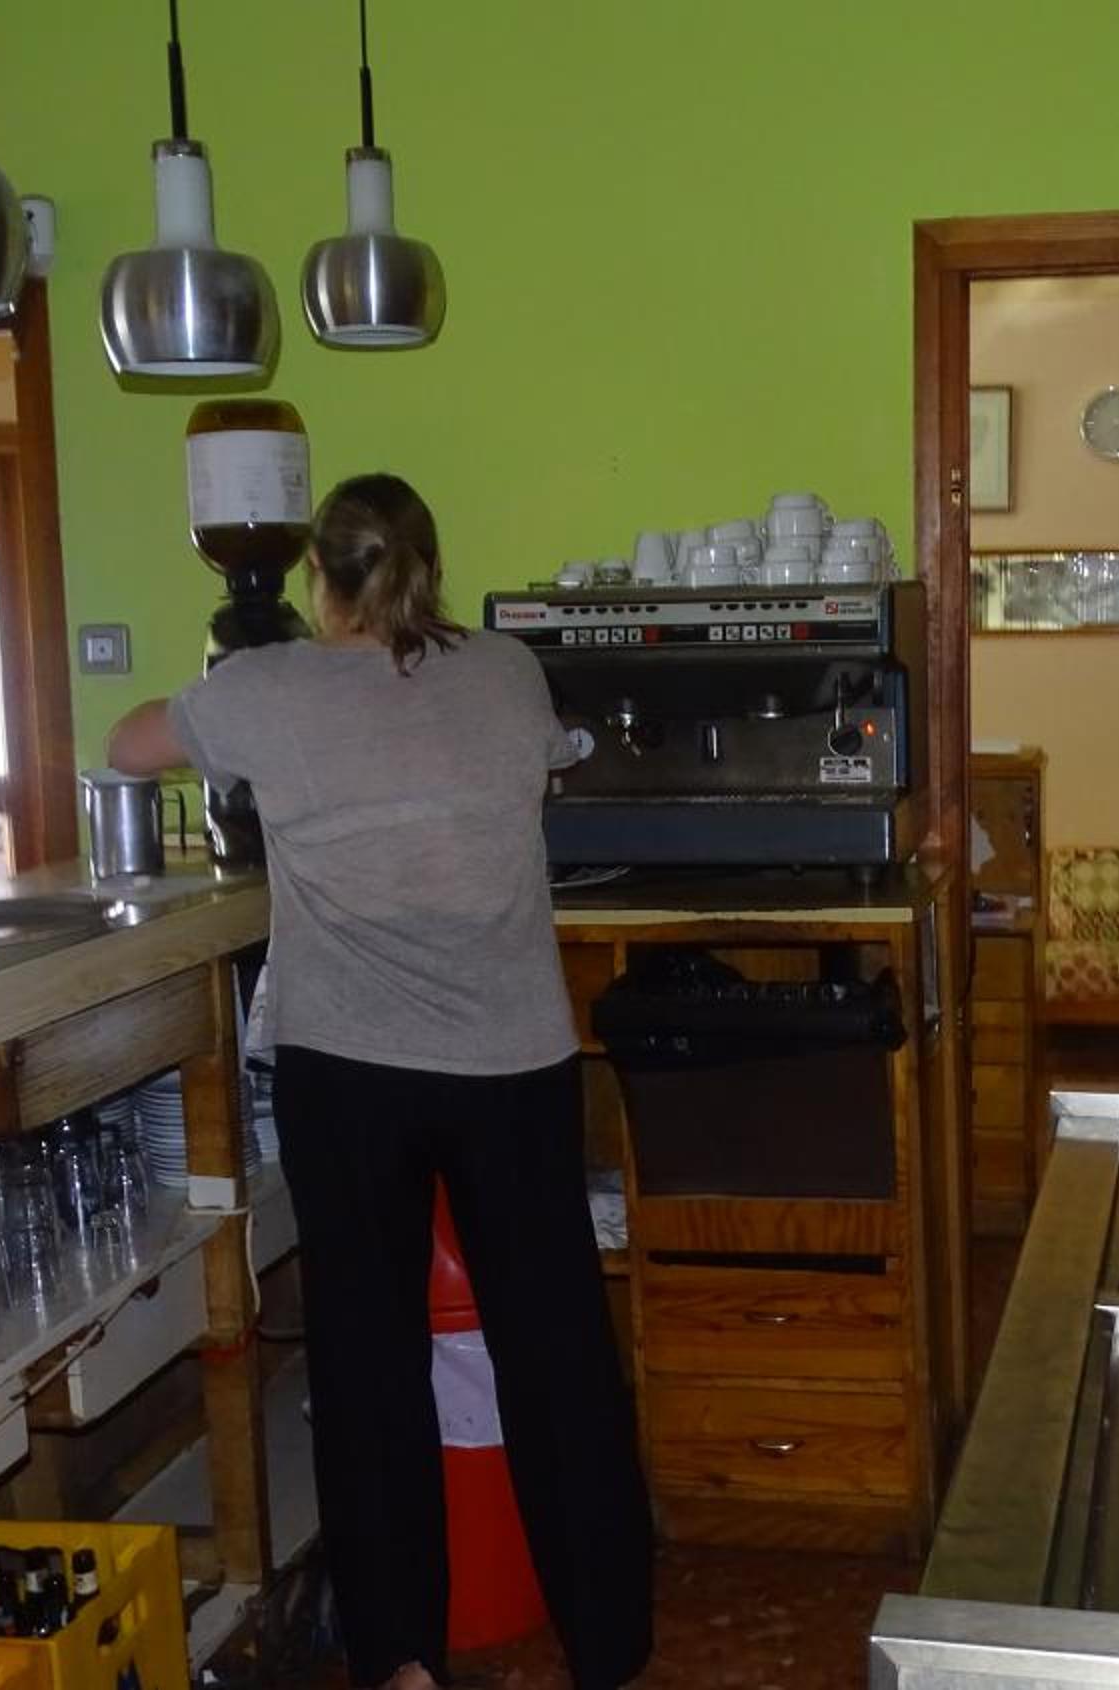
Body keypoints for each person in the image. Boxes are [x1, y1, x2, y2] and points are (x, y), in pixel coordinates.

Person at [108, 473, 653, 1690]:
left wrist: (231, 713)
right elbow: (540, 770)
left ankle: (402, 1659)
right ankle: (610, 1647)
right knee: (558, 1354)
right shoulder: (507, 671)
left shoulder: (271, 689)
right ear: (430, 567)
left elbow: (124, 746)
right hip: (513, 1064)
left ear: (320, 579)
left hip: (350, 1071)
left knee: (369, 1366)